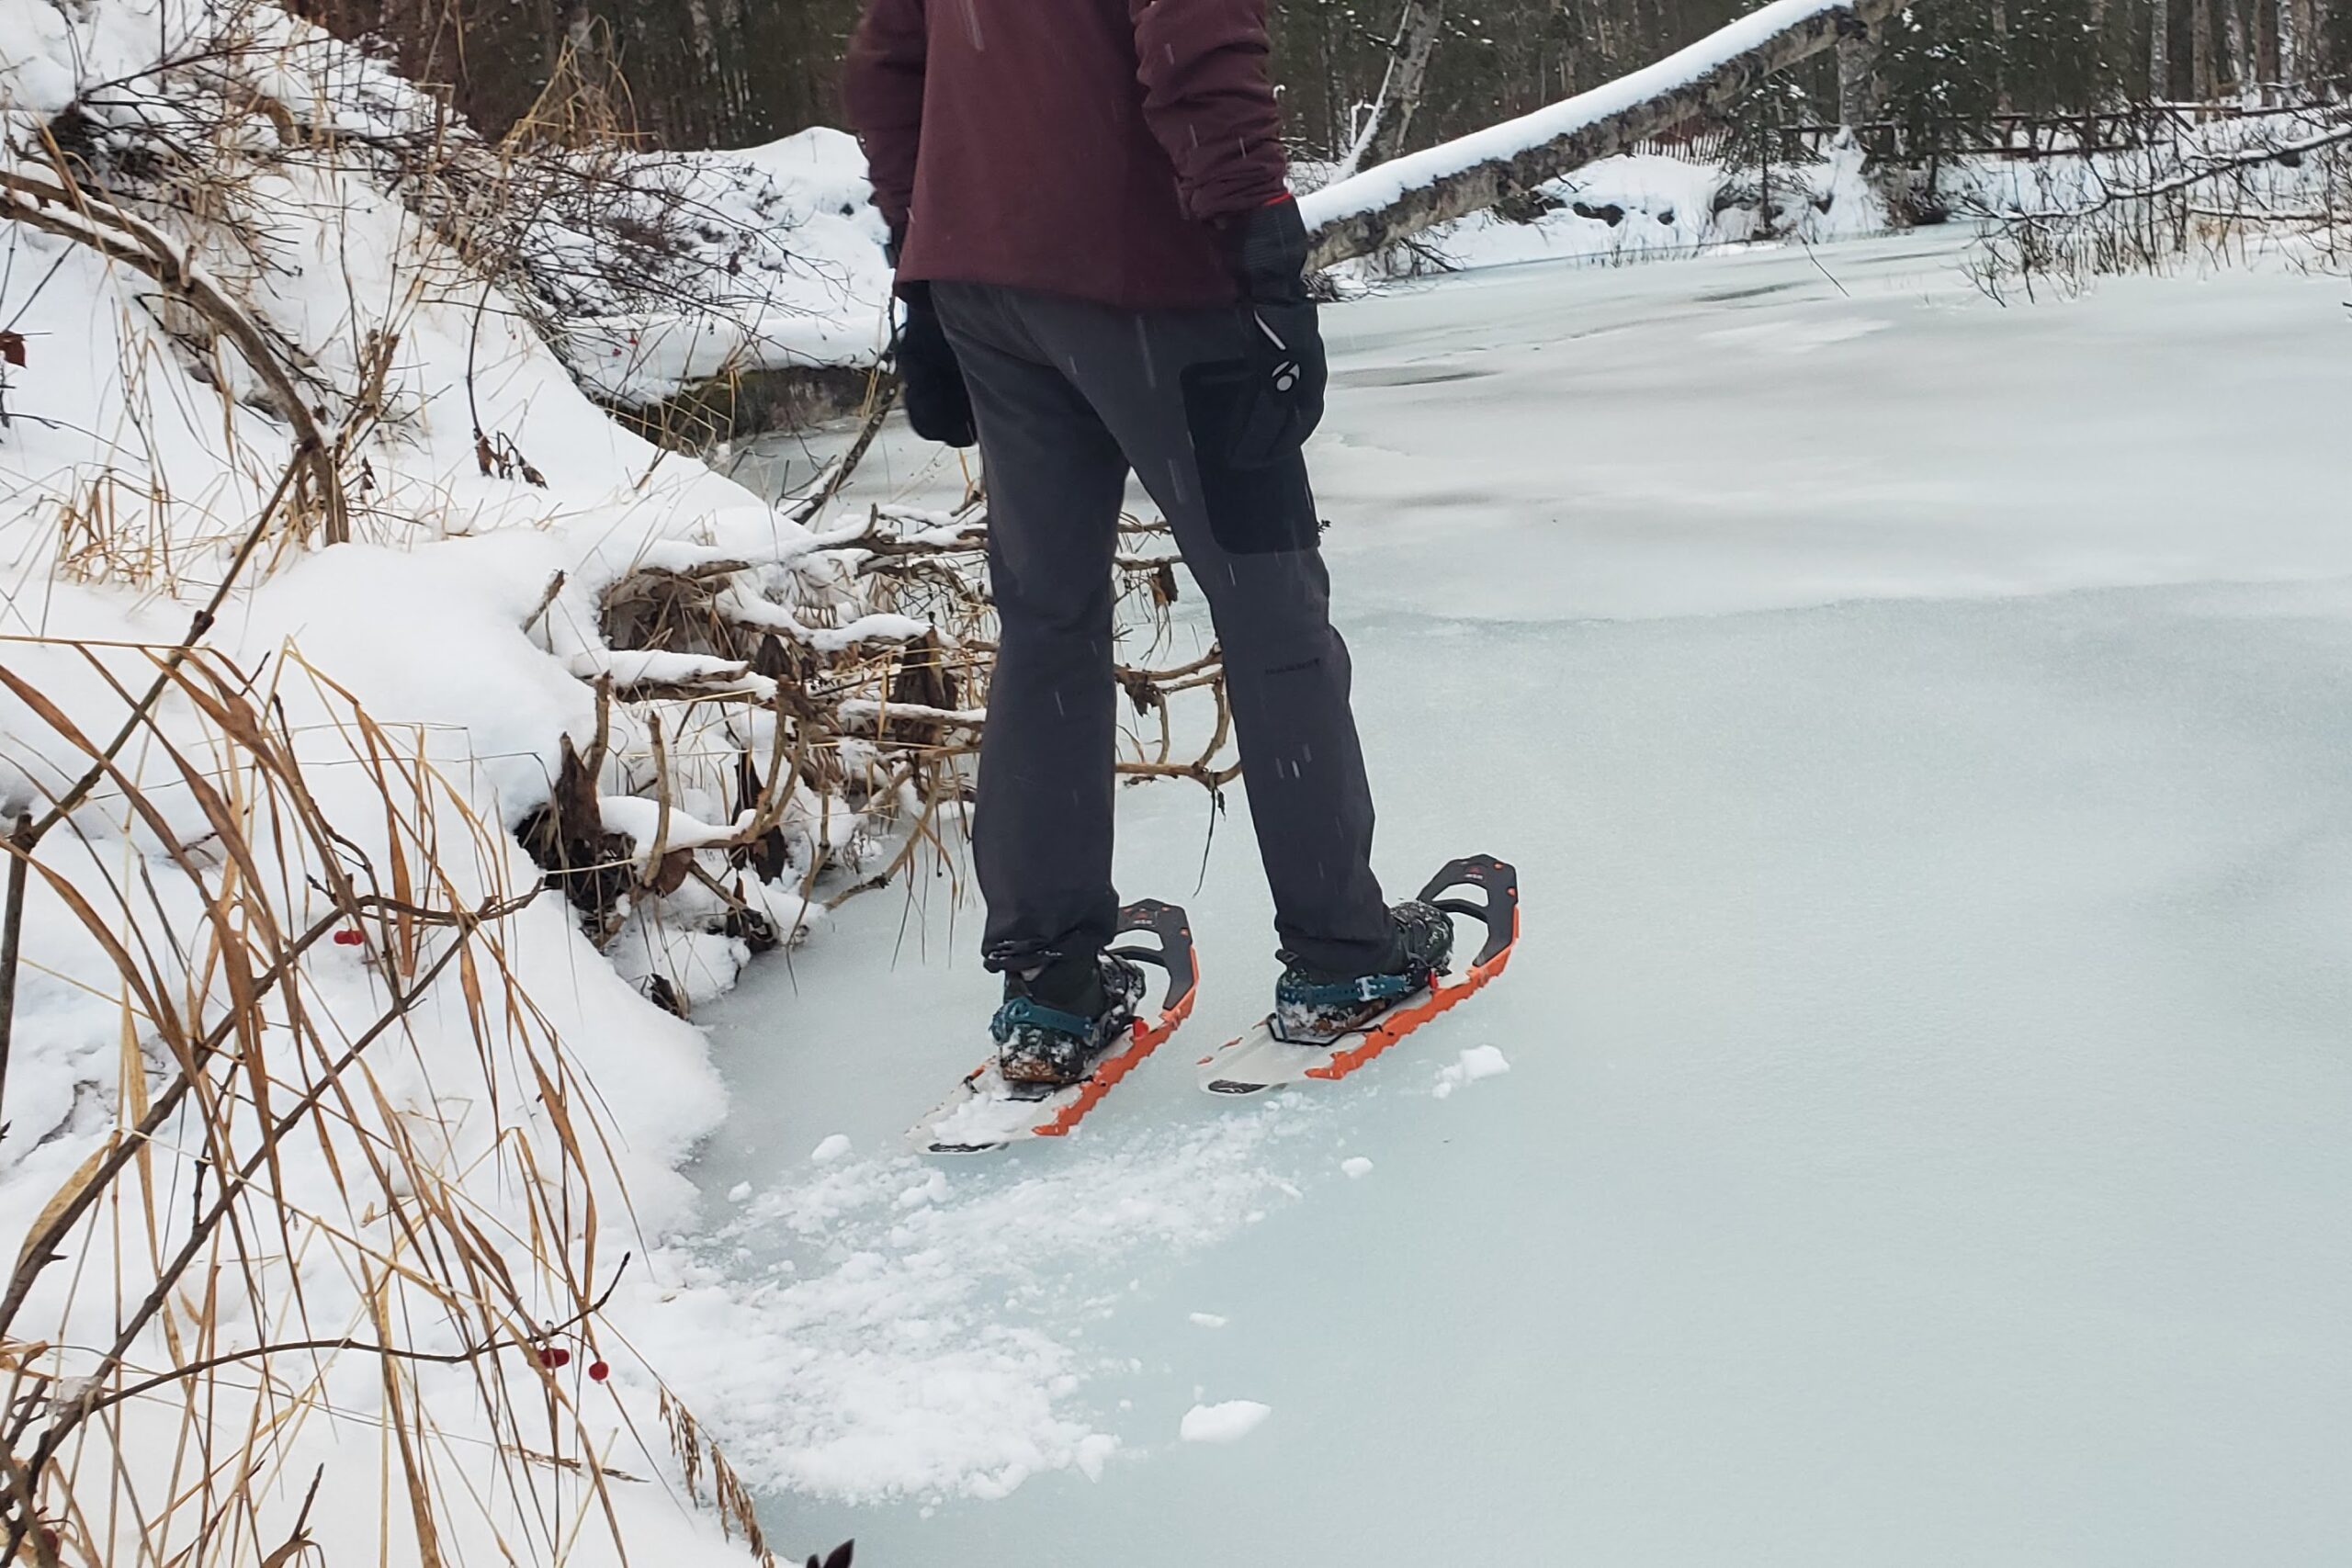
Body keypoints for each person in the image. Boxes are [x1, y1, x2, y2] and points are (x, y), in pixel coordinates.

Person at [842, 0, 1451, 1085]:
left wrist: (919, 260)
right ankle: (1340, 955)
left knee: (1048, 620)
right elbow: (1197, 45)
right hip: (1149, 278)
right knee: (1268, 606)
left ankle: (1050, 989)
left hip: (984, 279)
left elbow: (892, 65)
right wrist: (1260, 244)